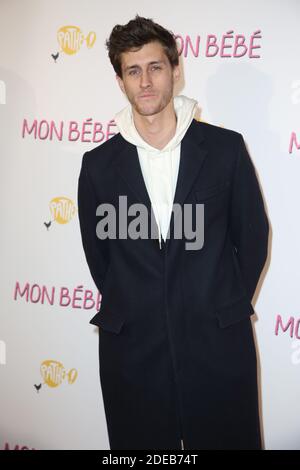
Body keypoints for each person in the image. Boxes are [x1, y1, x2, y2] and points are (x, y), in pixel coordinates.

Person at [77, 14, 269, 450]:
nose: (145, 81)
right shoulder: (98, 165)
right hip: (133, 352)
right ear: (121, 82)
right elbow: (100, 257)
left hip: (218, 344)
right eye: (133, 70)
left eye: (155, 67)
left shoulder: (225, 150)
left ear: (176, 71)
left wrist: (220, 302)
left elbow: (253, 239)